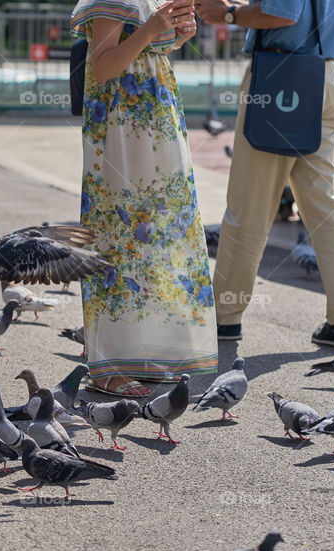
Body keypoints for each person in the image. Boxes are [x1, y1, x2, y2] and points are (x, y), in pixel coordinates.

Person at [70, 0, 219, 400]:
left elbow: (140, 55)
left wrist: (172, 38)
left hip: (153, 126)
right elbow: (102, 67)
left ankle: (142, 351)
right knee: (120, 236)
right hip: (122, 130)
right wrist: (151, 30)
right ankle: (107, 366)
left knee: (155, 236)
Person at [195, 0, 334, 349]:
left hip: (279, 80)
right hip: (323, 77)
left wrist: (228, 14)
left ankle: (225, 318)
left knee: (249, 205)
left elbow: (284, 11)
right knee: (324, 206)